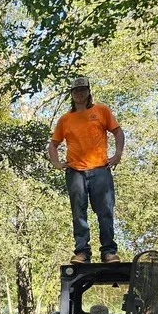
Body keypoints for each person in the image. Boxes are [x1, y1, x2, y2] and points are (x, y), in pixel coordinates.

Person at [47, 76, 125, 265]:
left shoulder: (101, 111)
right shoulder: (66, 119)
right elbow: (53, 145)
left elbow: (117, 132)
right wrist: (57, 163)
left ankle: (108, 252)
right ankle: (82, 252)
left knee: (105, 211)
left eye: (83, 90)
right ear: (72, 95)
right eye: (76, 91)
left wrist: (118, 154)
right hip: (75, 172)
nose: (79, 93)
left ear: (88, 92)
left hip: (100, 169)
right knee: (78, 212)